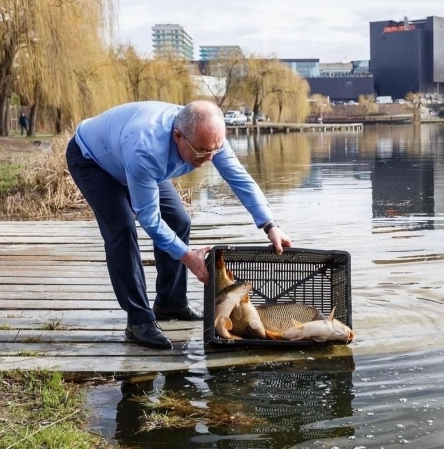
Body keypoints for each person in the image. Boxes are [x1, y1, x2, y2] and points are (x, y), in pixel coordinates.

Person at [66, 100, 292, 349]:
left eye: (214, 151)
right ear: (177, 136)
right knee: (122, 228)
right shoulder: (146, 148)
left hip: (133, 161)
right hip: (93, 162)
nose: (209, 158)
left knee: (179, 220)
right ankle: (139, 321)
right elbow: (149, 219)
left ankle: (170, 302)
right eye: (202, 152)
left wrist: (270, 225)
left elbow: (239, 178)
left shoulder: (208, 136)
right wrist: (186, 255)